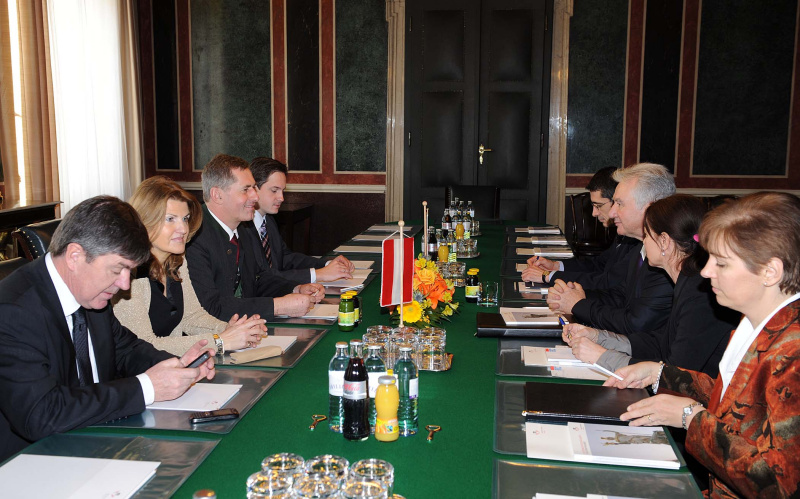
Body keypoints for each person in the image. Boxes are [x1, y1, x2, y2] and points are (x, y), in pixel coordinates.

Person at [606, 192, 800, 498]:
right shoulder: (755, 323)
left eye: (721, 263)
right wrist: (659, 374)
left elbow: (778, 484)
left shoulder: (793, 353)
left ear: (770, 271)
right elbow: (736, 405)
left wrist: (692, 418)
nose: (707, 271)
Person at [0, 196, 215, 461]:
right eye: (117, 270)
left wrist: (177, 366)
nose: (125, 285)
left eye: (130, 271)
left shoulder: (91, 293)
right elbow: (42, 413)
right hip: (28, 461)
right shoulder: (12, 312)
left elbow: (126, 349)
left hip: (93, 440)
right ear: (75, 256)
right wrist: (146, 388)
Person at [562, 195, 739, 376]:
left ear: (664, 241)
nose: (644, 241)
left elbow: (675, 375)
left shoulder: (700, 293)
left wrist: (602, 356)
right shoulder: (687, 281)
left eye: (646, 235)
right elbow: (661, 342)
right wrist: (599, 338)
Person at [114, 176, 267, 356]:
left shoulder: (177, 261)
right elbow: (143, 345)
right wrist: (220, 341)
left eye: (185, 219)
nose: (183, 229)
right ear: (145, 221)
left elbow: (192, 317)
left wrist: (230, 329)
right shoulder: (127, 273)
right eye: (170, 219)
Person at [186, 154, 324, 321]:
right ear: (217, 195)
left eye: (254, 188)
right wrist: (278, 306)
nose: (255, 196)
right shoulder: (192, 236)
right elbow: (211, 307)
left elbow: (257, 279)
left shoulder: (243, 227)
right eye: (246, 190)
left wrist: (295, 289)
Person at [547, 163, 676, 336]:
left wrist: (579, 305)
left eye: (619, 204)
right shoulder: (641, 247)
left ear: (648, 207)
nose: (613, 212)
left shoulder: (667, 257)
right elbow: (619, 296)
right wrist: (574, 295)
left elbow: (635, 324)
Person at [523, 166, 639, 288]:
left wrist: (548, 276)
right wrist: (555, 266)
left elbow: (607, 282)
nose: (594, 213)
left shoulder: (636, 238)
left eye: (598, 206)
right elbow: (598, 265)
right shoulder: (625, 233)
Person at [246, 156, 354, 283]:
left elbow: (286, 258)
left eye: (282, 191)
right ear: (254, 189)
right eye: (274, 190)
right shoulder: (243, 228)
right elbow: (262, 276)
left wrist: (327, 264)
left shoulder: (268, 221)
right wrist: (318, 274)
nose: (281, 198)